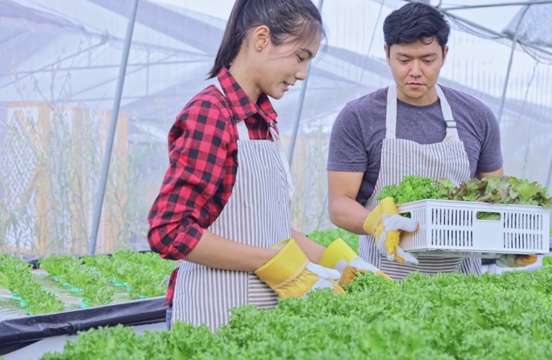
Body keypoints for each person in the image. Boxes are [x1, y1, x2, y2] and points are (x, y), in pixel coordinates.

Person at [147, 0, 388, 332]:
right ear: (262, 38)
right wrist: (271, 262)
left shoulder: (262, 121)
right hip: (214, 315)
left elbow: (265, 227)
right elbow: (170, 232)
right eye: (300, 57)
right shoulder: (212, 113)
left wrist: (341, 264)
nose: (302, 73)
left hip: (262, 314)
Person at [326, 2, 536, 280]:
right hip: (385, 276)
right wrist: (378, 223)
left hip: (460, 280)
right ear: (387, 54)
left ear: (444, 55)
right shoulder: (358, 117)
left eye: (427, 60)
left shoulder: (477, 116)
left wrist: (507, 240)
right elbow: (339, 205)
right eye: (404, 60)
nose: (415, 71)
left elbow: (494, 196)